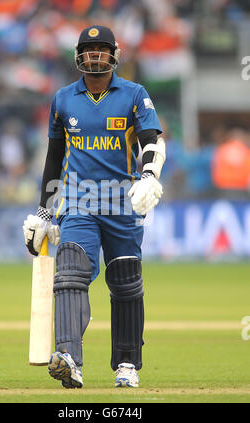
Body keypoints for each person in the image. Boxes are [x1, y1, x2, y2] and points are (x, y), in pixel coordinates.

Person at [23, 25, 165, 389]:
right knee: (69, 271)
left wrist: (149, 175)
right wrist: (43, 212)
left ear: (114, 54)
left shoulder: (134, 94)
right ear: (78, 56)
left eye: (102, 50)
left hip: (123, 201)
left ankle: (128, 364)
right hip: (77, 201)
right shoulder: (63, 99)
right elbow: (54, 160)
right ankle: (69, 357)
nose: (96, 56)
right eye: (89, 50)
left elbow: (151, 140)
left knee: (126, 283)